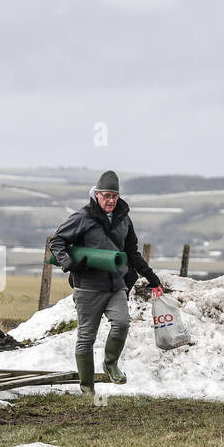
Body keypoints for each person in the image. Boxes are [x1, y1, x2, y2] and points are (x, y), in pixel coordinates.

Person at [49, 170, 162, 397]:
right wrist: (68, 262)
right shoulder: (82, 217)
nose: (110, 200)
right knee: (86, 337)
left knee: (122, 323)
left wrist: (151, 277)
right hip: (88, 286)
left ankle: (110, 364)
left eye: (114, 196)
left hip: (115, 285)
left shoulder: (124, 219)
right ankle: (87, 388)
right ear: (97, 194)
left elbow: (131, 252)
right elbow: (57, 241)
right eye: (106, 196)